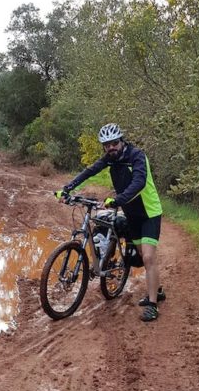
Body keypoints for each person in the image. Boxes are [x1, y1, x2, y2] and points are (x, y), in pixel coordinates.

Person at [60, 123, 165, 322]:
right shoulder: (110, 159)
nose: (111, 148)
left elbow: (139, 182)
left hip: (150, 213)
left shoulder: (137, 156)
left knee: (149, 257)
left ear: (122, 141)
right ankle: (157, 290)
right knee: (141, 255)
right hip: (132, 214)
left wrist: (117, 200)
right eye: (106, 145)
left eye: (114, 143)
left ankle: (152, 305)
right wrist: (67, 187)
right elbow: (90, 171)